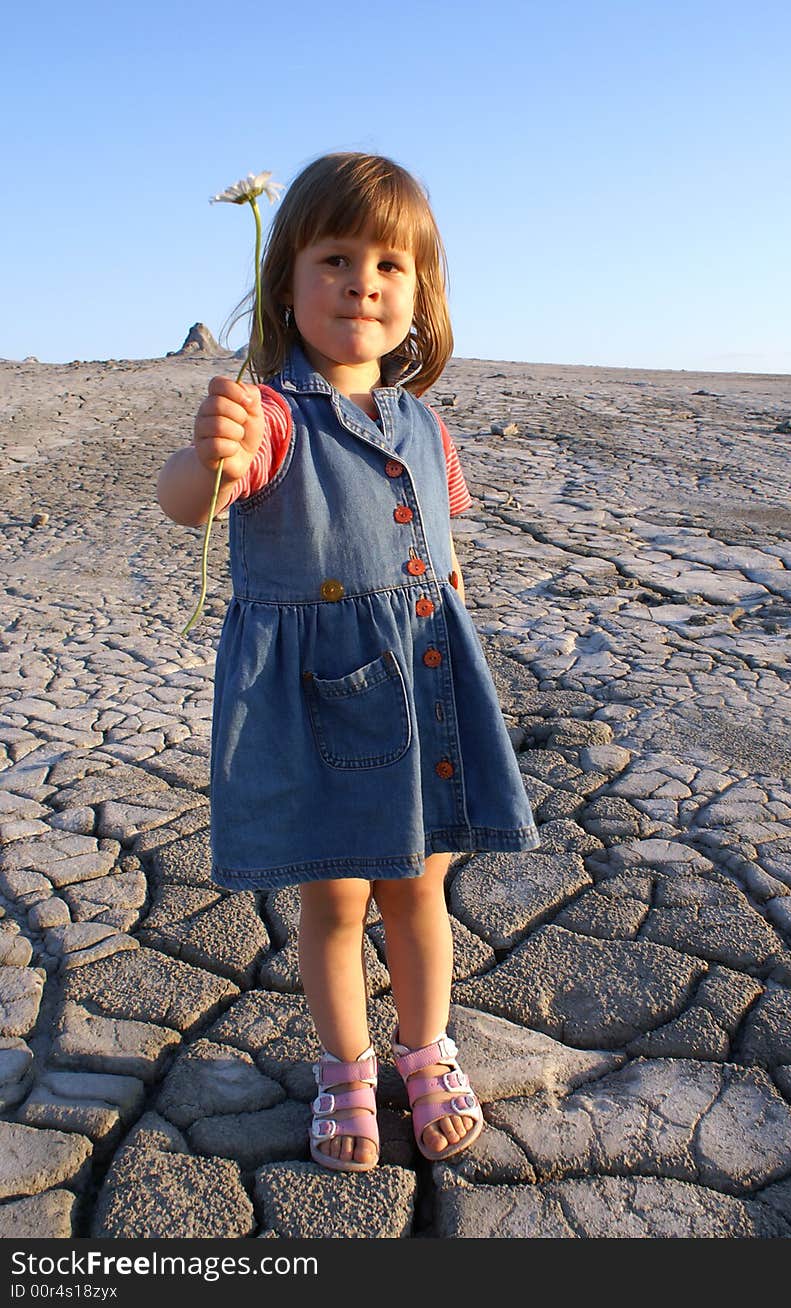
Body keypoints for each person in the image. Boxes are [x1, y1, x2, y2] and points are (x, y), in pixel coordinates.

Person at [157, 153, 540, 1173]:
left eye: (387, 264)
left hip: (424, 685)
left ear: (418, 297)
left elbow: (441, 551)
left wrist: (454, 625)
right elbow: (190, 498)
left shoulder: (426, 423)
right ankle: (345, 1067)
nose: (360, 283)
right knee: (332, 904)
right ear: (287, 280)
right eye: (333, 258)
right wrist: (210, 451)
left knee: (419, 890)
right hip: (321, 700)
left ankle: (428, 1053)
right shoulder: (271, 414)